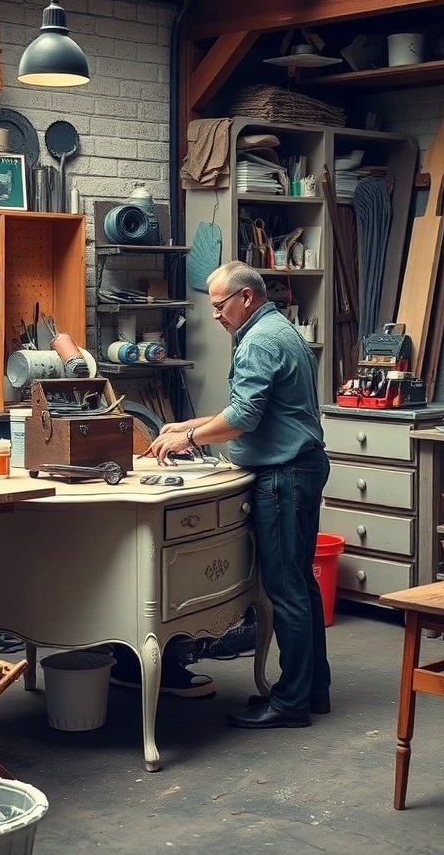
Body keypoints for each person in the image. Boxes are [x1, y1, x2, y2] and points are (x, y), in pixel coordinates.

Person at [147, 260, 331, 729]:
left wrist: (188, 442)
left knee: (285, 589)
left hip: (283, 476)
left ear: (245, 297)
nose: (215, 315)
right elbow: (255, 408)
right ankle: (313, 689)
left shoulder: (259, 341)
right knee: (301, 587)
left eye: (219, 305)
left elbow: (245, 417)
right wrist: (189, 424)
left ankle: (291, 704)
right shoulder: (278, 330)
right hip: (302, 468)